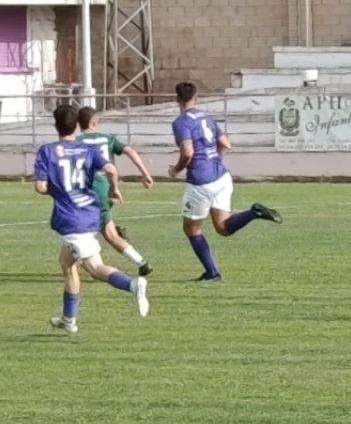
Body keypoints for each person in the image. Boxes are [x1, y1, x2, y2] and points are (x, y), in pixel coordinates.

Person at [34, 103, 150, 333]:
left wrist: (58, 189)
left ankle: (133, 284)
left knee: (95, 268)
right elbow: (111, 170)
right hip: (89, 212)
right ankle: (68, 319)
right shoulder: (87, 149)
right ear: (75, 125)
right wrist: (113, 189)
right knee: (67, 263)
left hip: (71, 219)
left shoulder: (47, 151)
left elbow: (40, 186)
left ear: (56, 125)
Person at [169, 81, 281, 281]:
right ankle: (254, 212)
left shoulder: (181, 122)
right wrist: (215, 160)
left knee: (192, 229)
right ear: (196, 98)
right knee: (223, 228)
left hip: (201, 183)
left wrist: (175, 170)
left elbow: (187, 152)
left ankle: (212, 273)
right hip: (221, 177)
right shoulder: (208, 117)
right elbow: (226, 144)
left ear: (177, 99)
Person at [77, 106, 155, 276]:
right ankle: (141, 263)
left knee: (100, 234)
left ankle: (96, 267)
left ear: (79, 123)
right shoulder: (107, 139)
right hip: (106, 190)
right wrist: (145, 174)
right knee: (106, 231)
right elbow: (130, 151)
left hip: (88, 193)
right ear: (94, 122)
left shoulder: (76, 142)